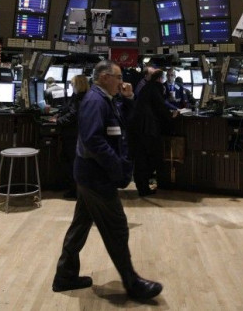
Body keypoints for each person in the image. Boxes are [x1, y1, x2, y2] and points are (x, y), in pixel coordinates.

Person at [52, 60, 163, 300]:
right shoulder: (94, 101)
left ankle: (65, 276)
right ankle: (132, 283)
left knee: (80, 225)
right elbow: (94, 141)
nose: (122, 81)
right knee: (117, 229)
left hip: (89, 174)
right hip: (96, 177)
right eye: (118, 76)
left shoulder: (104, 99)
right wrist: (117, 168)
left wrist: (128, 98)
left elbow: (122, 123)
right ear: (104, 77)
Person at [130, 69, 179, 196]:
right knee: (148, 158)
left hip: (138, 128)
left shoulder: (146, 87)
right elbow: (161, 106)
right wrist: (171, 116)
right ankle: (145, 187)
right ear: (160, 79)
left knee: (141, 158)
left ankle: (142, 186)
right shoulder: (156, 87)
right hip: (148, 129)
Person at [50, 74, 90, 199]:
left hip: (73, 134)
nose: (71, 87)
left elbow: (73, 115)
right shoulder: (78, 96)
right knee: (69, 161)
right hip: (74, 134)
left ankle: (74, 190)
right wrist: (58, 114)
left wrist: (58, 121)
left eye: (72, 84)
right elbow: (67, 108)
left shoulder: (80, 98)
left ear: (77, 85)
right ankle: (72, 188)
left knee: (72, 162)